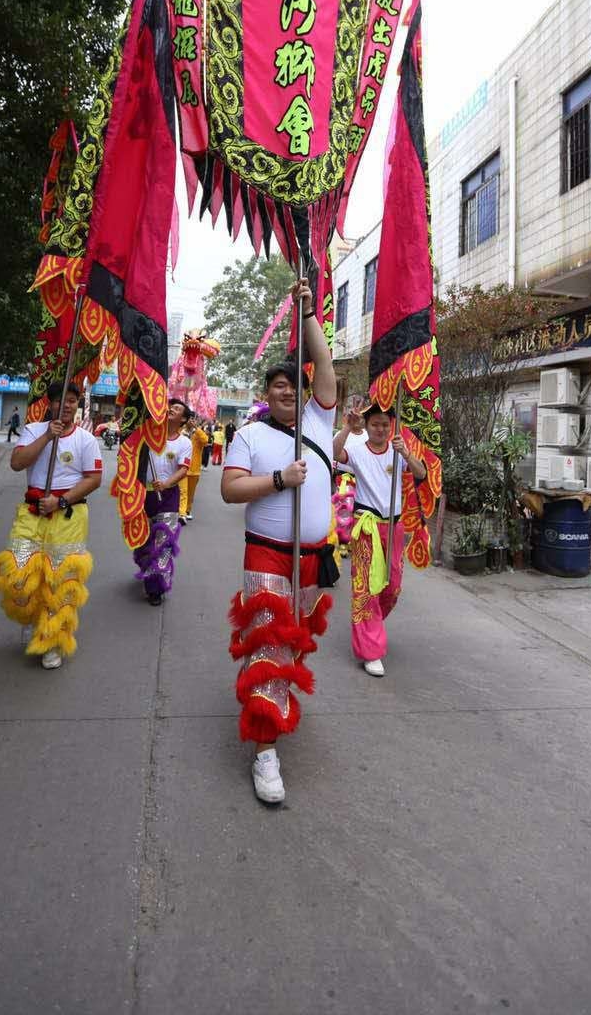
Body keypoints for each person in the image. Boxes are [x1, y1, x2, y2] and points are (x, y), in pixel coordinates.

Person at [222, 277, 338, 805]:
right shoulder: (249, 435)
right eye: (277, 386)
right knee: (268, 641)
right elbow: (229, 490)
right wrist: (277, 482)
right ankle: (264, 748)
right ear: (266, 393)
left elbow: (327, 370)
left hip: (312, 559)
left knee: (290, 641)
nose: (286, 392)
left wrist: (308, 312)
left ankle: (271, 698)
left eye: (293, 385)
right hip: (266, 551)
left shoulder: (318, 416)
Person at [0, 380, 103, 669]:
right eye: (61, 401)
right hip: (31, 512)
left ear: (78, 405)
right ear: (50, 403)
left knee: (60, 583)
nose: (66, 406)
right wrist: (47, 437)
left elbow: (93, 479)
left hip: (68, 517)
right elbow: (17, 463)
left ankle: (53, 641)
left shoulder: (86, 440)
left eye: (72, 401)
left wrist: (61, 501)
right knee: (20, 576)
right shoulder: (33, 430)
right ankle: (32, 619)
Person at [333, 403, 428, 678]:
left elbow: (421, 473)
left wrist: (407, 454)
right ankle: (370, 651)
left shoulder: (398, 451)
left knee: (392, 587)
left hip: (393, 529)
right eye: (375, 424)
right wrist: (349, 428)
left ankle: (370, 626)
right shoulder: (359, 451)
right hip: (366, 528)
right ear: (368, 425)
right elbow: (334, 452)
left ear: (391, 426)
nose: (380, 429)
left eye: (385, 424)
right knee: (366, 590)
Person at [133, 398, 192, 604]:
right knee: (143, 540)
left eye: (177, 409)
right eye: (170, 406)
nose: (171, 409)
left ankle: (155, 588)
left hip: (167, 497)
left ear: (183, 419)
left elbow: (184, 470)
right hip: (143, 496)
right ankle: (145, 567)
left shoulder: (185, 443)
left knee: (163, 543)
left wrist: (166, 483)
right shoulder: (148, 435)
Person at [179, 418, 209, 523]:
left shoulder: (198, 434)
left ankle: (187, 511)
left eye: (193, 420)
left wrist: (197, 428)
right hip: (181, 468)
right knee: (183, 491)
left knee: (190, 493)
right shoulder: (181, 431)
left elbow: (206, 441)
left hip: (194, 469)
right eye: (189, 419)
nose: (190, 422)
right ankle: (181, 513)